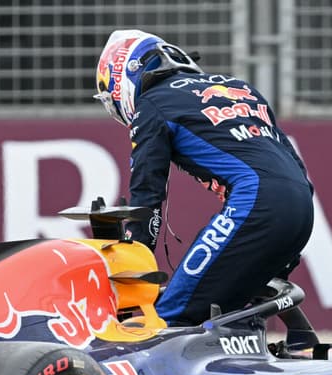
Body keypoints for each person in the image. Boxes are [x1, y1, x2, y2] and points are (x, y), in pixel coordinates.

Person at [94, 30, 315, 326]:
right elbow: (297, 170)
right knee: (234, 315)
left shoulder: (153, 104)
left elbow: (147, 196)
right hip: (301, 205)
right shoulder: (241, 88)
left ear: (124, 76)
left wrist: (134, 261)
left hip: (256, 202)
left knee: (173, 317)